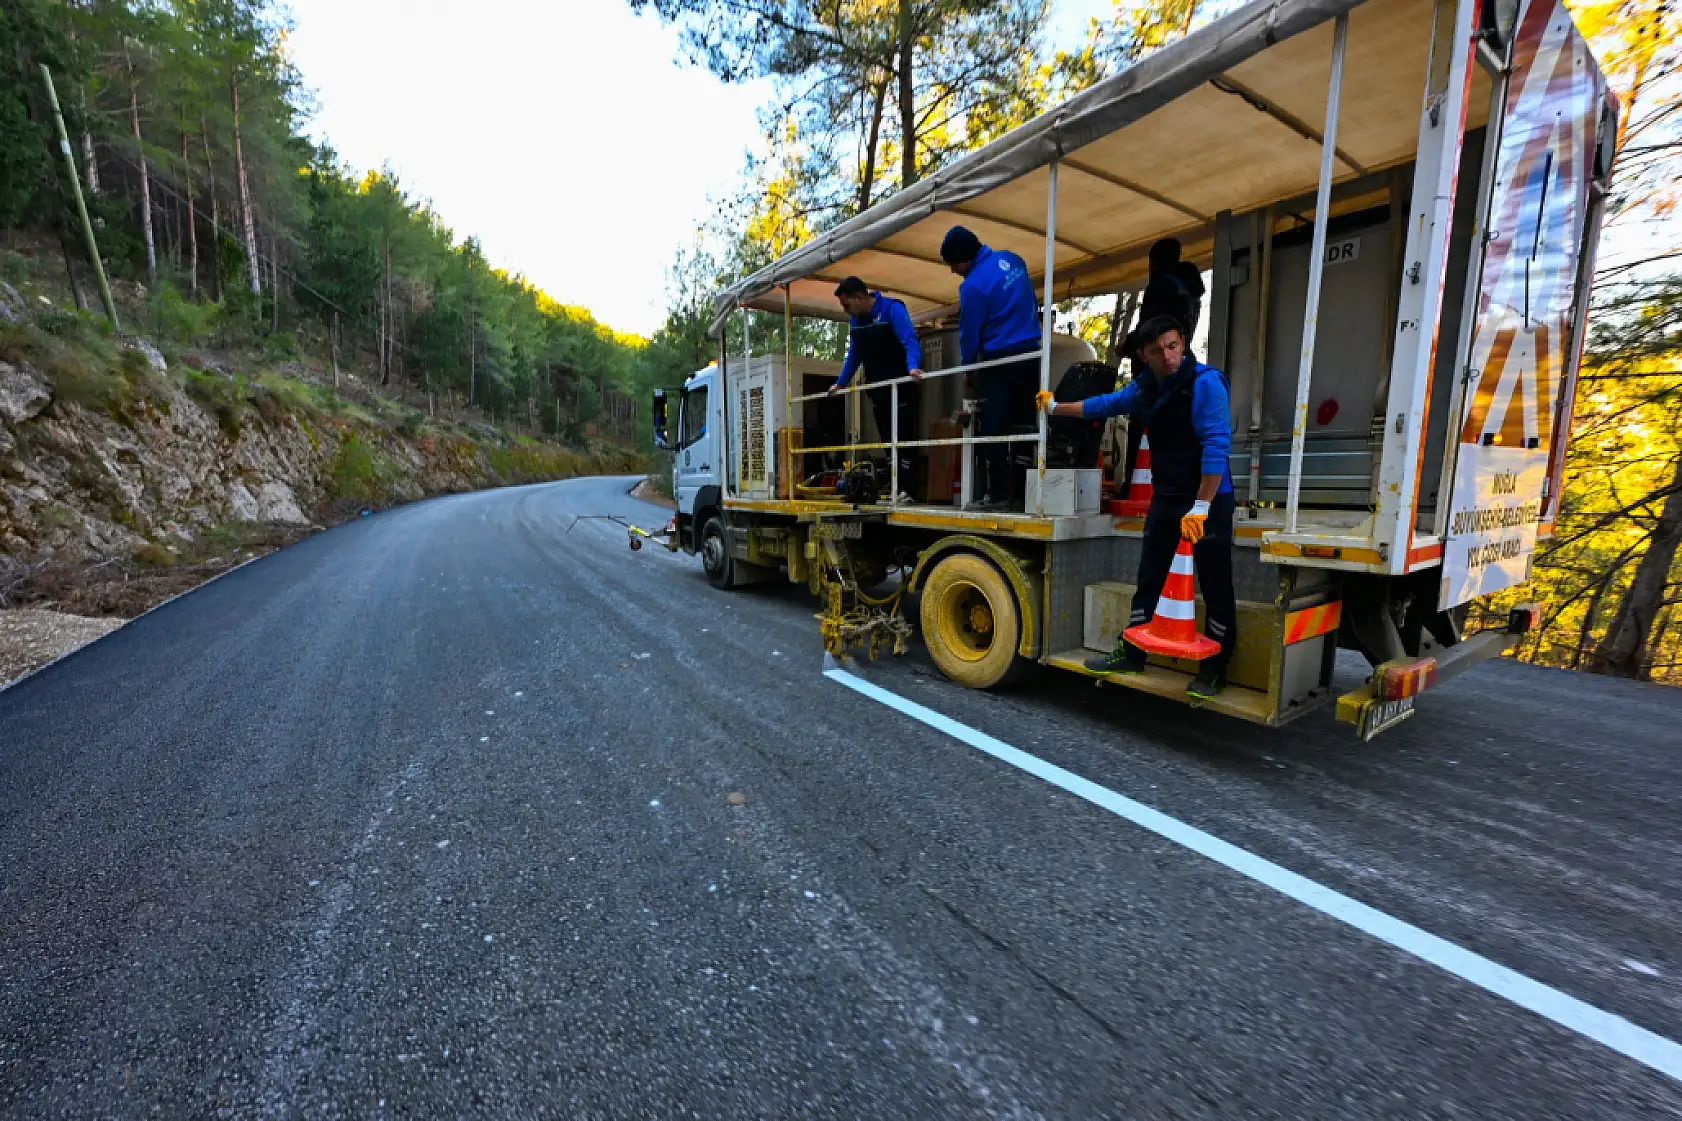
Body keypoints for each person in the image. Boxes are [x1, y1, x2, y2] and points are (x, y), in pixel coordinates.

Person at [1038, 315, 1237, 698]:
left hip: (1208, 499)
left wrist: (1202, 507)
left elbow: (1216, 446)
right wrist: (1055, 407)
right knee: (1150, 576)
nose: (1168, 356)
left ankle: (1215, 668)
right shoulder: (1147, 388)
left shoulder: (1205, 384)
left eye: (1173, 346)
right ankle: (1131, 652)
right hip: (1167, 498)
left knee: (1215, 584)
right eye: (1157, 351)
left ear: (1182, 343)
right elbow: (1105, 405)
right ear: (1144, 357)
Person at [940, 225, 1042, 511]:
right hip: (1032, 355)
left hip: (1000, 362)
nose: (953, 271)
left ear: (964, 258)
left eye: (953, 265)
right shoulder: (1013, 259)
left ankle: (997, 495)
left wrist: (968, 367)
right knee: (1025, 428)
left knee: (994, 430)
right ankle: (1024, 494)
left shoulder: (972, 286)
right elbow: (1032, 302)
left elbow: (969, 332)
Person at [831, 277, 924, 498]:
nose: (846, 311)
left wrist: (913, 367)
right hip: (879, 389)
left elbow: (909, 339)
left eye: (847, 305)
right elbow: (855, 353)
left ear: (860, 297)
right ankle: (894, 486)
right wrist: (841, 383)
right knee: (887, 439)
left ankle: (909, 489)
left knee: (904, 437)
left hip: (900, 385)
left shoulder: (892, 309)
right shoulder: (856, 322)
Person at [1138, 238, 1206, 344]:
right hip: (1179, 349)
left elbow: (1147, 324)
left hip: (1157, 350)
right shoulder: (1189, 289)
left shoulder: (1161, 286)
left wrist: (1127, 347)